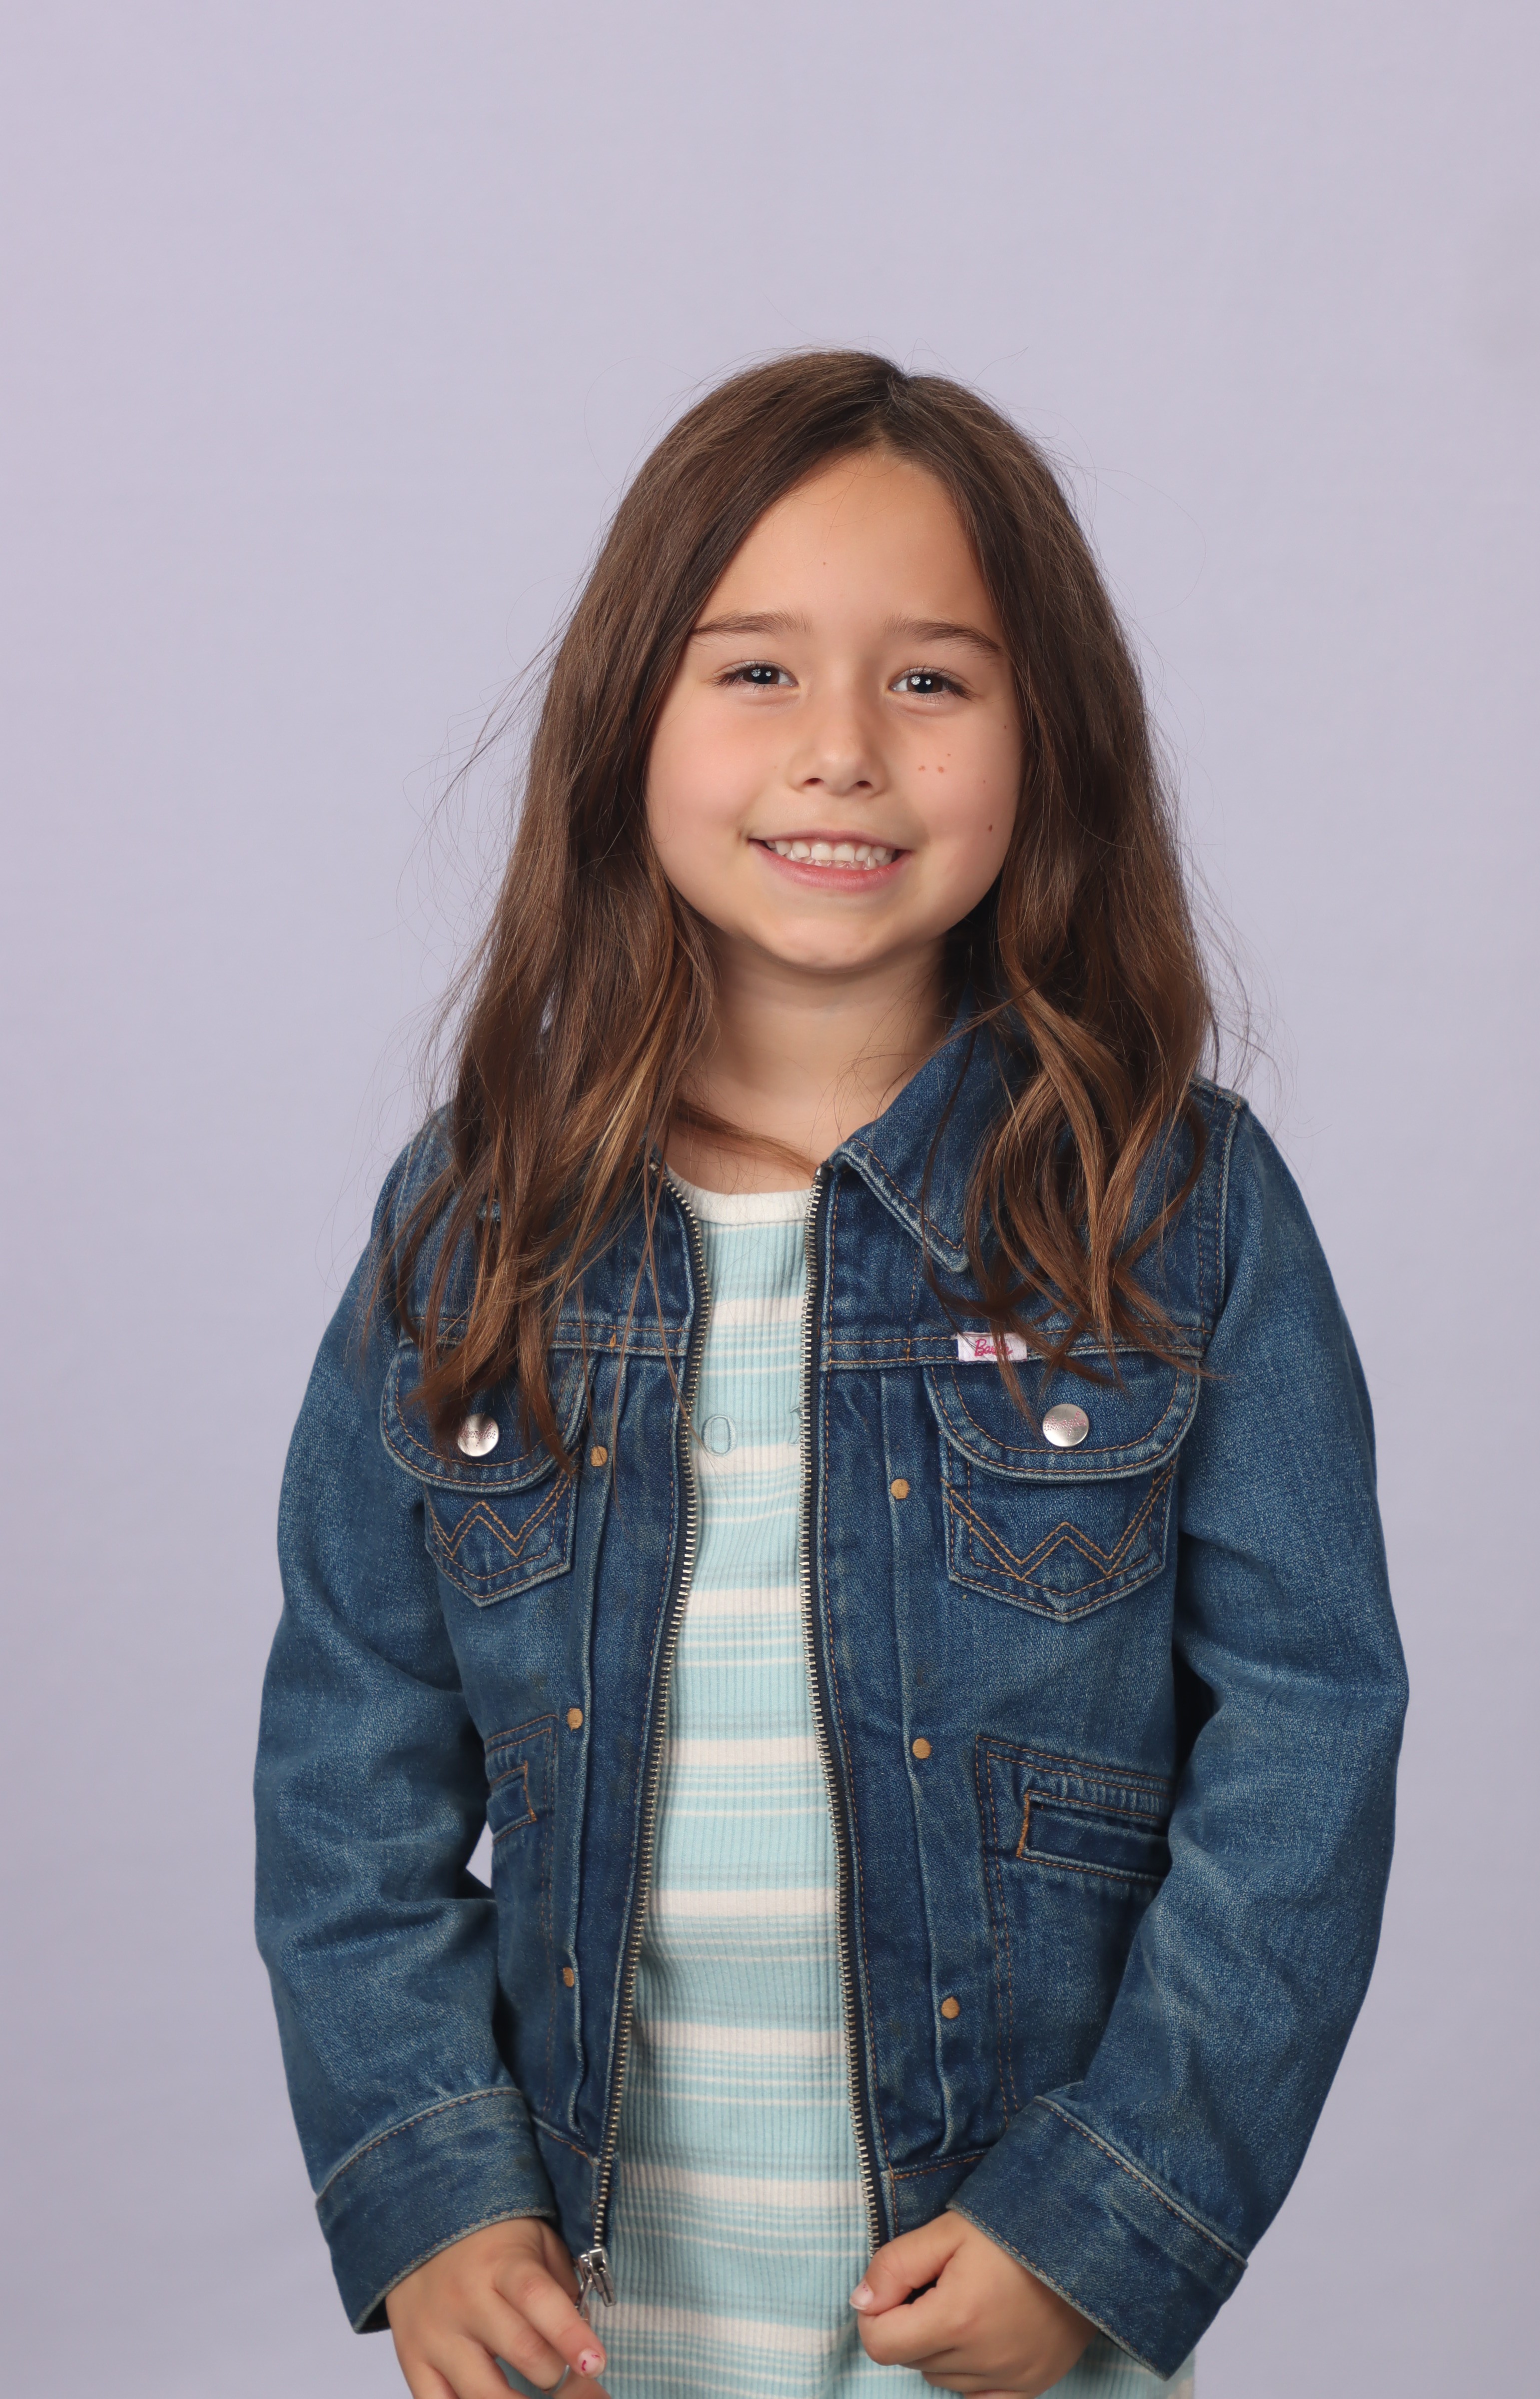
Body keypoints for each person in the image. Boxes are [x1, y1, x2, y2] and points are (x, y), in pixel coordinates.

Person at [255, 351, 1406, 2399]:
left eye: (931, 679)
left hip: (996, 2294)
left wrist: (1106, 2213)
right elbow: (350, 1752)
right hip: (585, 2309)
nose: (844, 751)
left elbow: (1308, 1736)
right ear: (630, 720)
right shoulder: (475, 1221)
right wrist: (428, 2191)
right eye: (758, 671)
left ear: (1049, 741)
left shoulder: (1175, 1215)